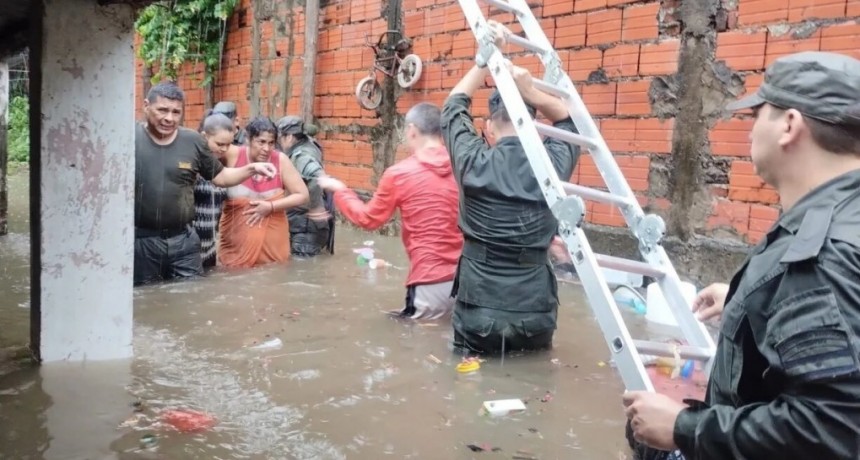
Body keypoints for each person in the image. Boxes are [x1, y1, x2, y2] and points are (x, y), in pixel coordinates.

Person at [623, 51, 860, 460]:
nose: (749, 131)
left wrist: (685, 429)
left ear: (789, 125)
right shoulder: (839, 217)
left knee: (645, 434)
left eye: (757, 115)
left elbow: (833, 427)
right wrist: (745, 296)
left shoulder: (823, 255)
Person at [441, 21, 582, 355]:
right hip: (535, 311)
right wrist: (531, 91)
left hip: (479, 309)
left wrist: (486, 58)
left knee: (467, 385)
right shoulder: (552, 165)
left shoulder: (473, 162)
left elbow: (452, 107)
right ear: (532, 123)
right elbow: (571, 123)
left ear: (489, 126)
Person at [318, 103, 463, 320]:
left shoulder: (399, 173)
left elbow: (368, 219)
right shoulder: (465, 166)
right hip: (469, 281)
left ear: (412, 130)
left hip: (429, 280)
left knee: (416, 342)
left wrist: (341, 191)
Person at [134, 82, 277, 286]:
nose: (169, 118)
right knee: (146, 299)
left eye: (176, 112)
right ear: (146, 106)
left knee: (192, 296)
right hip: (141, 241)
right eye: (162, 110)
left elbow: (221, 177)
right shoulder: (129, 138)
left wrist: (253, 168)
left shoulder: (191, 141)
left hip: (183, 240)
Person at [217, 117, 309, 268]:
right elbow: (207, 151)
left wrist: (270, 206)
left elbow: (303, 195)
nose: (266, 149)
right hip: (235, 246)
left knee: (272, 284)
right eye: (261, 142)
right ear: (249, 139)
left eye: (271, 143)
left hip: (273, 248)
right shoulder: (232, 154)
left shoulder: (280, 160)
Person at [276, 116, 335, 257]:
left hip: (305, 227)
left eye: (279, 138)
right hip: (307, 225)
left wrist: (315, 208)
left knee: (300, 273)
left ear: (289, 137)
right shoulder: (310, 144)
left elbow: (317, 177)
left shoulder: (301, 155)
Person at [193, 111, 233, 269]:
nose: (224, 149)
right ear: (204, 136)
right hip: (188, 249)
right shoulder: (191, 164)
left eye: (228, 144)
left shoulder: (223, 166)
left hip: (210, 248)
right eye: (220, 144)